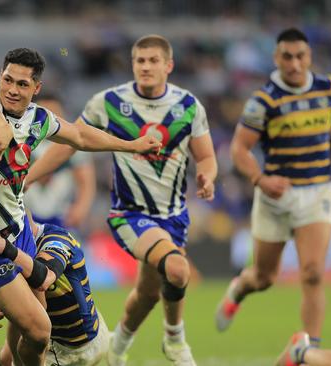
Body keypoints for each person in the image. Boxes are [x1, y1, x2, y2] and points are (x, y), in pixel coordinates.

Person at [0, 47, 160, 365]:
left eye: (22, 84)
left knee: (24, 337)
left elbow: (79, 136)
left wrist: (130, 145)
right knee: (38, 330)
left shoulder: (38, 119)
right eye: (7, 79)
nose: (11, 89)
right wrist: (3, 127)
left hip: (18, 229)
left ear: (36, 89)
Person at [27, 35, 218, 366]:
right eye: (139, 61)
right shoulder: (109, 102)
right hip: (129, 214)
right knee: (176, 268)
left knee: (145, 294)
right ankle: (175, 341)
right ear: (132, 65)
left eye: (153, 61)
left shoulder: (188, 107)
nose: (145, 66)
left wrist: (208, 176)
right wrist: (25, 179)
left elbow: (206, 156)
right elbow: (70, 142)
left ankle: (116, 347)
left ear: (168, 66)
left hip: (173, 217)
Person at [215, 28, 331, 349]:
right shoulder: (263, 101)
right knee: (265, 278)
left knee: (312, 273)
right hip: (275, 196)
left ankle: (310, 349)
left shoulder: (328, 89)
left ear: (310, 57)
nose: (294, 64)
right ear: (276, 58)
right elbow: (239, 149)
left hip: (317, 191)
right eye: (287, 57)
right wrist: (260, 180)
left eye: (300, 56)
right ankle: (240, 287)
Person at [0, 221, 110, 366]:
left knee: (22, 347)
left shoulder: (55, 239)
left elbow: (44, 278)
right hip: (60, 337)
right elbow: (3, 295)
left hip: (76, 349)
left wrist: (5, 248)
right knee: (3, 358)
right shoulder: (7, 247)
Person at [23, 94, 96, 230]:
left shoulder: (72, 144)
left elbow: (86, 181)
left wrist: (81, 208)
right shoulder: (21, 140)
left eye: (55, 114)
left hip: (61, 215)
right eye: (45, 113)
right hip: (24, 214)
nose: (50, 120)